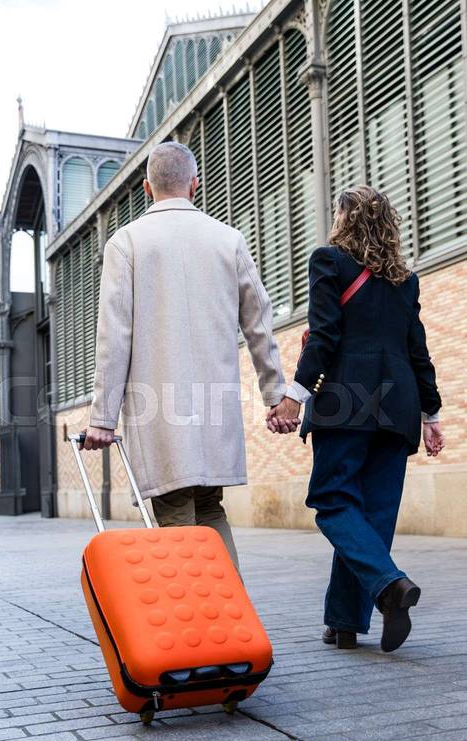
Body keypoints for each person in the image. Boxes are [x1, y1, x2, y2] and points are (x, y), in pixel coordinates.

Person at [83, 141, 296, 568]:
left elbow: (114, 336)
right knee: (210, 509)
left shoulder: (126, 244)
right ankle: (230, 620)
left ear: (146, 187)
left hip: (158, 413)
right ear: (194, 185)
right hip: (216, 410)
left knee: (175, 516)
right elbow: (259, 321)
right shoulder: (228, 240)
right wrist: (275, 393)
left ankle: (205, 626)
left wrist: (102, 417)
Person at [268, 186, 444, 652]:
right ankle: (345, 622)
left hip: (348, 399)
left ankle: (389, 585)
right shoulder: (405, 280)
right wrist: (431, 413)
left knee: (332, 501)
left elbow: (324, 337)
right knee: (373, 514)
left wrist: (294, 397)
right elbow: (418, 351)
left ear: (344, 219)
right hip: (399, 406)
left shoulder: (329, 261)